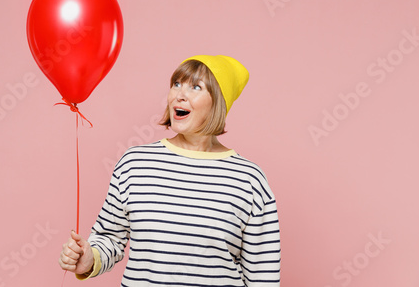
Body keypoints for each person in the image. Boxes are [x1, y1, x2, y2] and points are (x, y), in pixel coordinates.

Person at [59, 55, 281, 286]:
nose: (179, 95)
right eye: (176, 84)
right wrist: (90, 259)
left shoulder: (249, 180)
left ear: (219, 102)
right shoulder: (135, 164)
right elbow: (109, 238)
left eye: (196, 87)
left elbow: (263, 276)